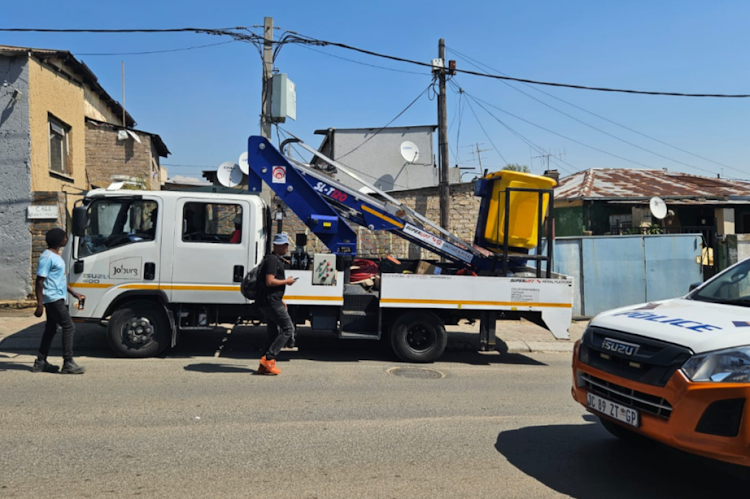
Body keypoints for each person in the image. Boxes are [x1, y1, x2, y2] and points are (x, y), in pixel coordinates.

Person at [33, 228, 86, 375]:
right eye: (64, 237)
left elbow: (59, 279)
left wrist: (74, 293)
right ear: (59, 240)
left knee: (51, 329)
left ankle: (40, 362)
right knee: (69, 327)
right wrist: (39, 304)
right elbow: (39, 281)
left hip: (57, 296)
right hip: (53, 298)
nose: (66, 238)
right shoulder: (47, 257)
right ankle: (68, 362)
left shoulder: (56, 256)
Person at [256, 233, 297, 375]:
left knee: (273, 332)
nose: (287, 248)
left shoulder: (271, 259)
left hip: (270, 300)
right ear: (279, 246)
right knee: (288, 329)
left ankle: (263, 365)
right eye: (285, 245)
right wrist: (287, 282)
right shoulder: (273, 261)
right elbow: (270, 281)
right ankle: (269, 358)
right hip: (271, 302)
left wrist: (281, 299)